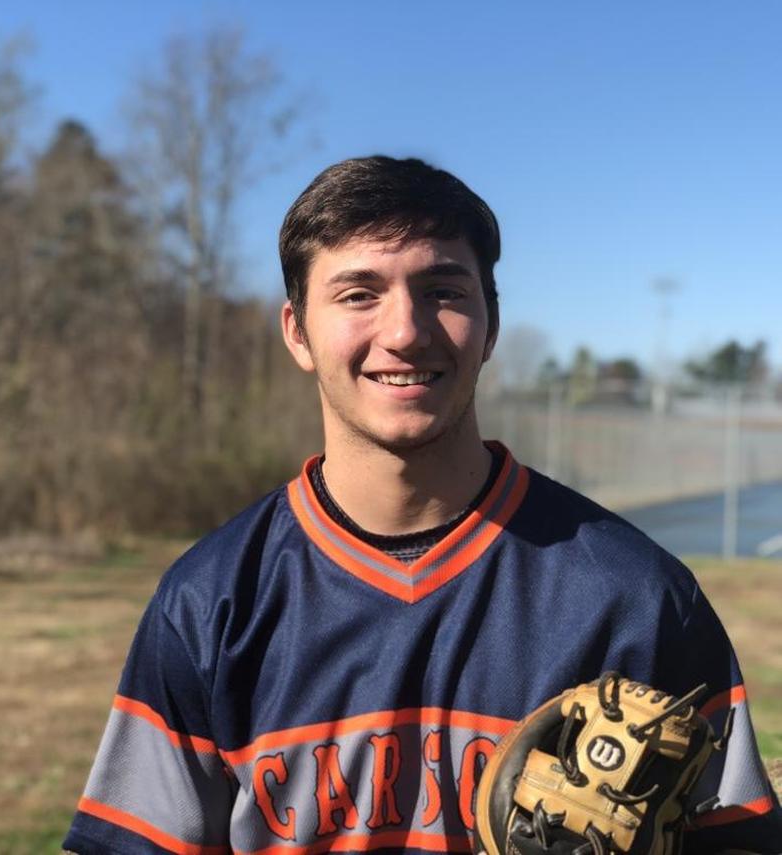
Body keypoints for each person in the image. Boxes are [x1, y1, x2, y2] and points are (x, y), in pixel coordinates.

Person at [62, 156, 782, 854]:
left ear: (491, 325)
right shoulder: (209, 601)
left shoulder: (638, 599)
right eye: (358, 294)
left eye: (443, 290)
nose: (405, 331)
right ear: (297, 331)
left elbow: (739, 840)